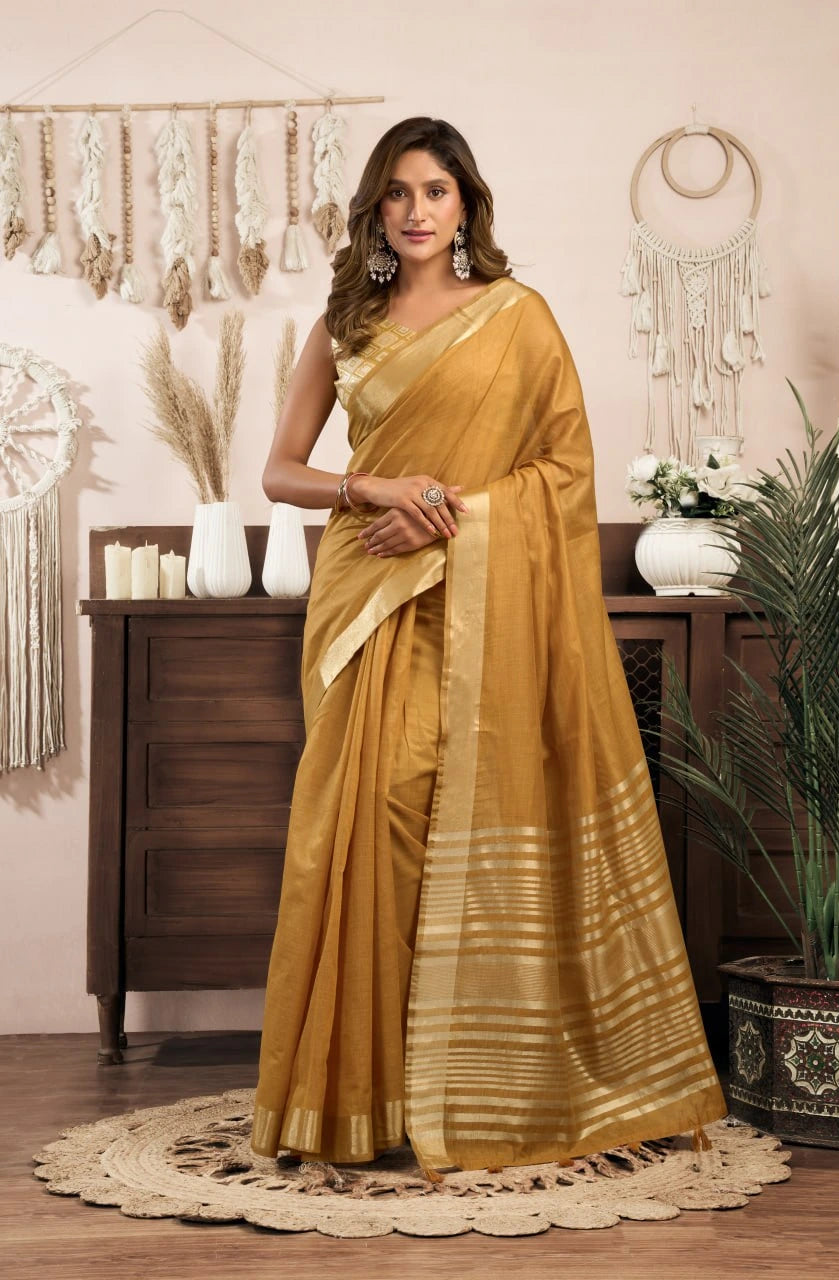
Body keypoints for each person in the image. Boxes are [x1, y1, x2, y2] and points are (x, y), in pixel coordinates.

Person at [250, 116, 728, 1179]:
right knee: (369, 827)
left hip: (479, 603)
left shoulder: (516, 319)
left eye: (436, 191)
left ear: (466, 204)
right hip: (369, 597)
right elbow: (281, 472)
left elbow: (562, 471)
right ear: (375, 210)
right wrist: (377, 487)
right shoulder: (344, 322)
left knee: (458, 814)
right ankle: (361, 1096)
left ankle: (471, 1085)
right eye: (397, 194)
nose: (416, 211)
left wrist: (453, 509)